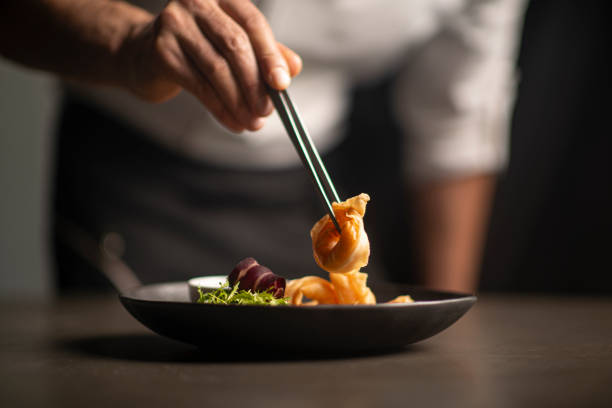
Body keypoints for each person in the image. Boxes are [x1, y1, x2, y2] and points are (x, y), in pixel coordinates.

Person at [0, 0, 526, 293]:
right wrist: (129, 43)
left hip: (304, 185)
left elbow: (457, 121)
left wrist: (449, 316)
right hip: (130, 178)